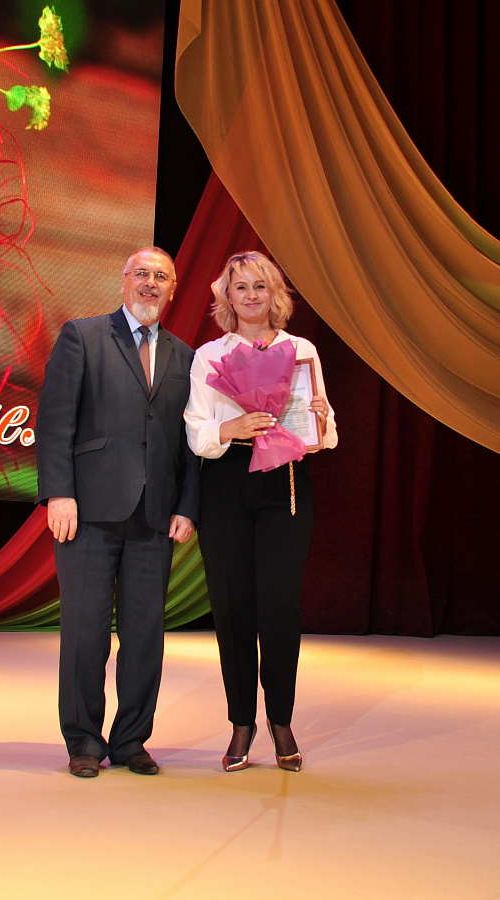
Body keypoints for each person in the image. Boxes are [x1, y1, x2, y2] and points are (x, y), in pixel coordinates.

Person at [35, 246, 199, 778]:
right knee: (85, 634)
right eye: (141, 274)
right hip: (88, 512)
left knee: (145, 635)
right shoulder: (82, 337)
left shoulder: (186, 356)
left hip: (155, 516)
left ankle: (131, 741)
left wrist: (187, 506)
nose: (150, 283)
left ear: (173, 288)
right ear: (123, 281)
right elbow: (55, 422)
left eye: (161, 276)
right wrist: (59, 494)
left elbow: (191, 442)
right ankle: (83, 740)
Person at [185, 251, 337, 772]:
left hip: (284, 484)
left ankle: (281, 720)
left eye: (260, 286)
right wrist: (230, 428)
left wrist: (321, 420)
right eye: (241, 287)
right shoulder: (209, 355)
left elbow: (323, 435)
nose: (251, 296)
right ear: (226, 296)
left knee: (279, 608)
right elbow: (196, 429)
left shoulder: (301, 350)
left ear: (275, 294)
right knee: (231, 609)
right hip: (226, 481)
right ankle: (241, 723)